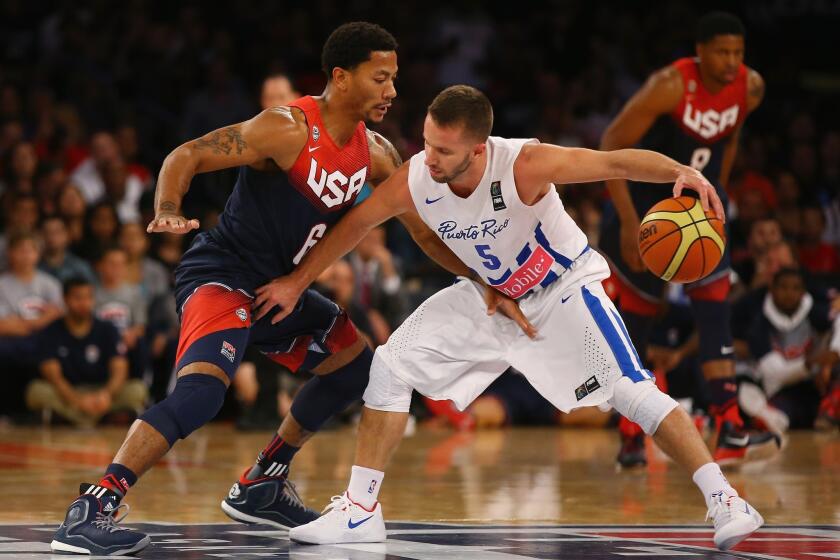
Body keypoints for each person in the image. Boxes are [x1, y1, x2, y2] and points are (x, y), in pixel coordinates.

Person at [259, 85, 764, 551]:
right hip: (492, 297)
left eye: (443, 151)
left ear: (479, 149)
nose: (428, 158)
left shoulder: (523, 164)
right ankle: (360, 510)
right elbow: (354, 226)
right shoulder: (417, 177)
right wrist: (296, 282)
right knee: (390, 367)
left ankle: (724, 499)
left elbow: (611, 161)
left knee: (632, 390)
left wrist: (681, 171)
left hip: (561, 292)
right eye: (428, 143)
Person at [51, 22, 471, 556]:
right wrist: (168, 210)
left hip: (280, 291)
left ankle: (262, 481)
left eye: (394, 79)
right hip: (222, 275)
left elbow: (420, 230)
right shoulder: (287, 128)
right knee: (201, 395)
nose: (392, 90)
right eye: (380, 78)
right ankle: (92, 507)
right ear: (341, 78)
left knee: (357, 369)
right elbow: (187, 155)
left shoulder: (379, 154)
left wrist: (484, 277)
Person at [597, 11, 777, 467]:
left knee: (714, 308)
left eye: (738, 52)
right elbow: (611, 145)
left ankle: (731, 426)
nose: (731, 62)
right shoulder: (669, 85)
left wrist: (721, 193)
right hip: (647, 211)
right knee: (636, 321)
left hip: (698, 212)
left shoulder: (750, 88)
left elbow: (730, 142)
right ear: (699, 53)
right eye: (721, 52)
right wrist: (625, 221)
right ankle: (629, 433)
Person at [26, 277, 147, 427]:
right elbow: (53, 376)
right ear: (65, 299)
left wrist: (106, 395)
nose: (84, 303)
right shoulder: (52, 331)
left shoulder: (107, 329)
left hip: (101, 390)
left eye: (88, 297)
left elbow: (119, 369)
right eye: (78, 298)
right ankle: (101, 418)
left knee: (137, 389)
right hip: (67, 392)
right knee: (36, 391)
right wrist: (77, 400)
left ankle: (73, 419)